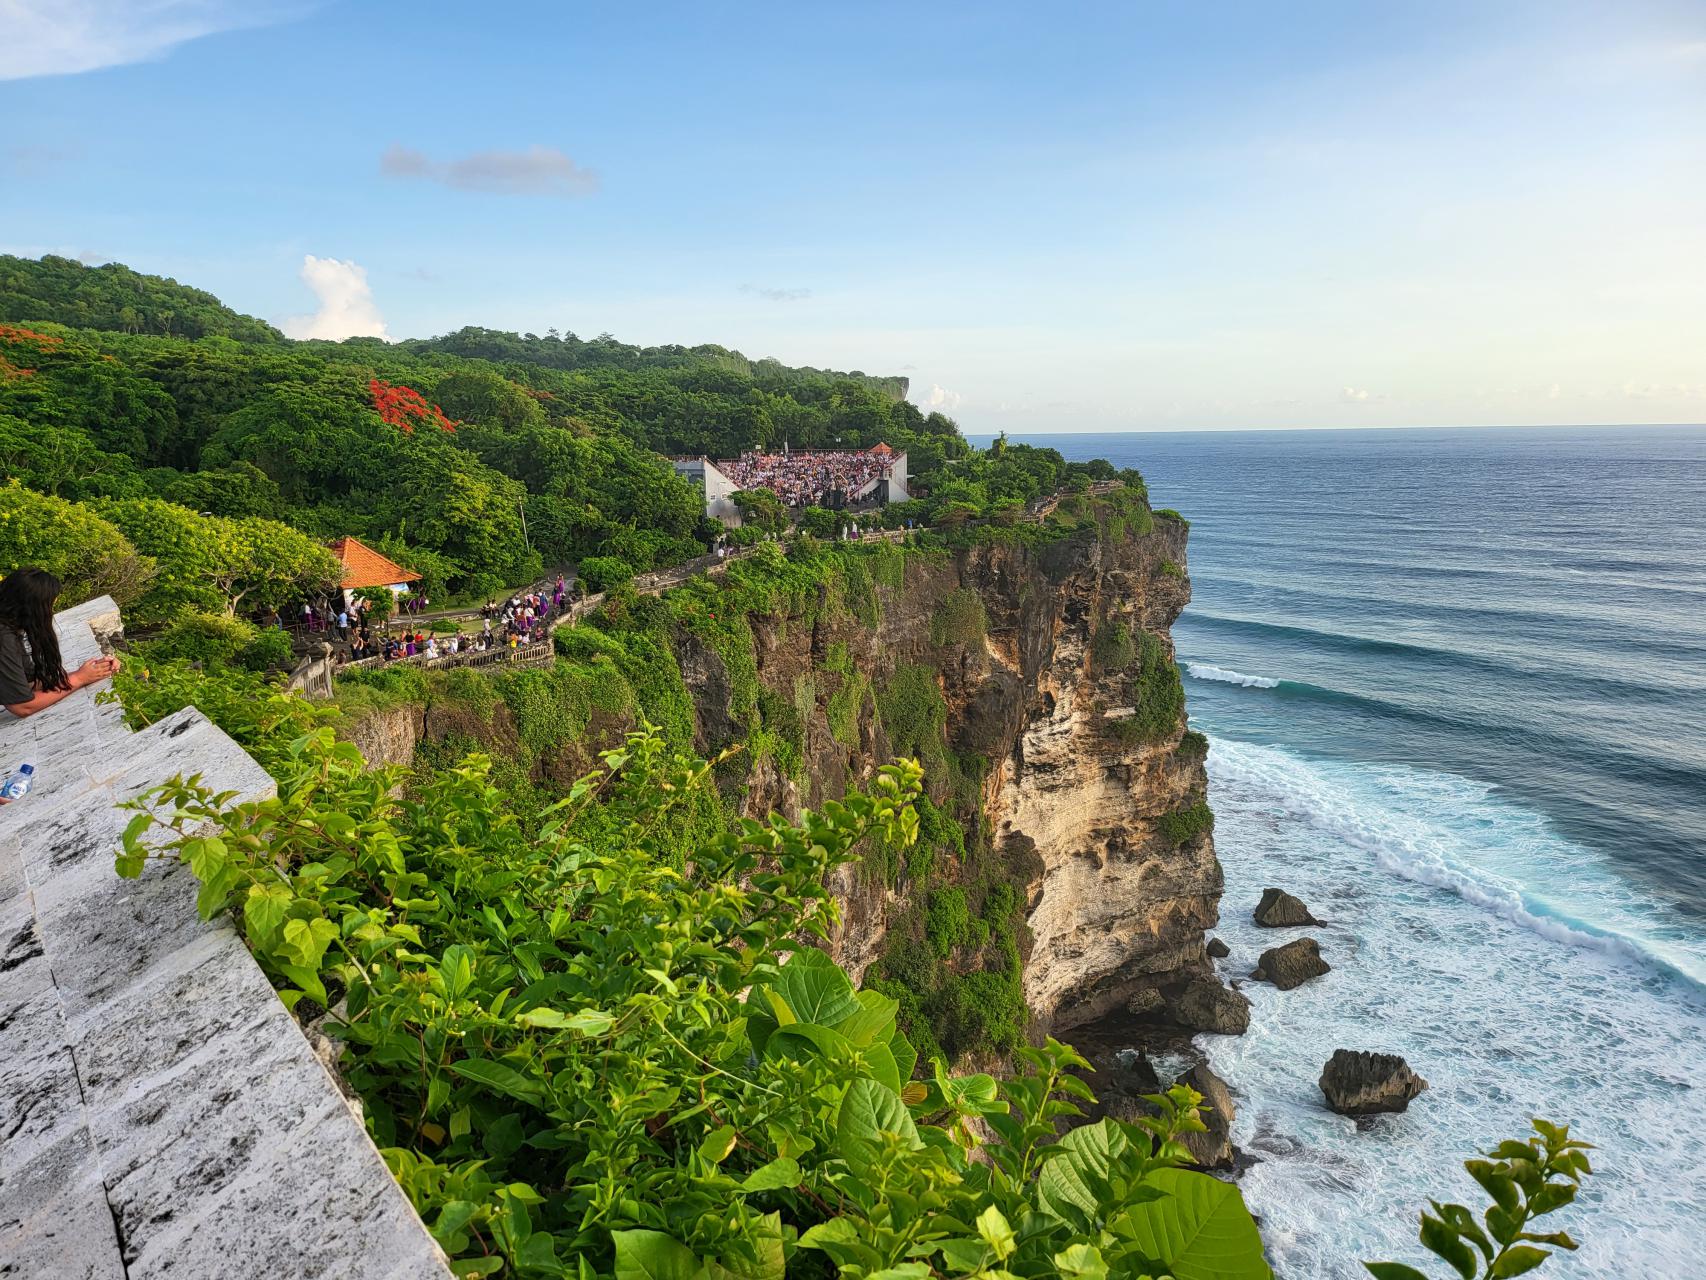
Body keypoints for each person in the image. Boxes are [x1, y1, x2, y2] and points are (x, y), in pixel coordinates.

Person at [0, 568, 122, 719]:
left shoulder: (9, 627)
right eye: (48, 606)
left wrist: (94, 670)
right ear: (33, 608)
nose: (50, 612)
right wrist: (79, 679)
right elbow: (22, 706)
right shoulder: (4, 638)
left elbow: (28, 683)